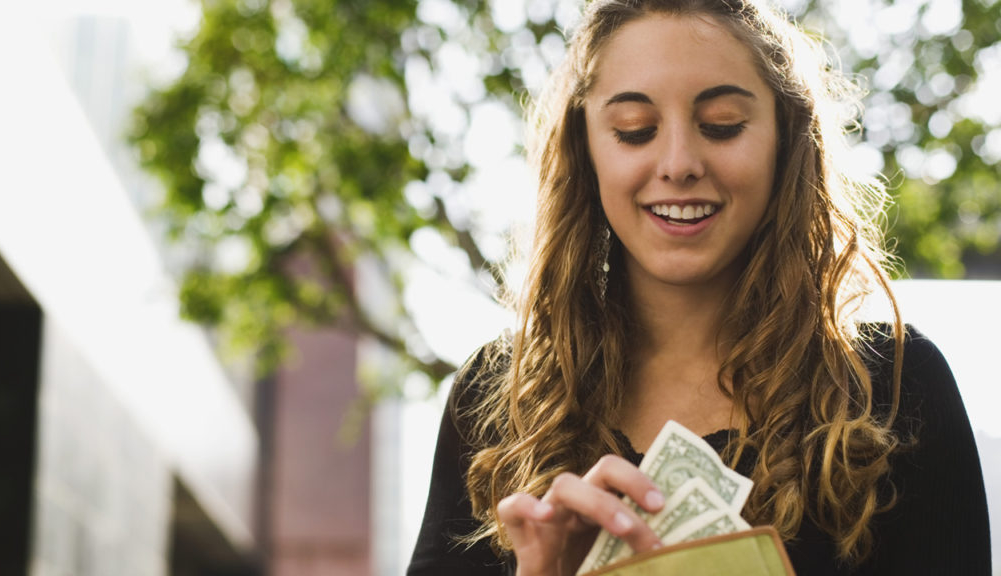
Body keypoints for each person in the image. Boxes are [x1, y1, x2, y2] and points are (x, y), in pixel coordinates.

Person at [408, 0, 992, 574]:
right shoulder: (498, 399)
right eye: (635, 131)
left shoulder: (894, 389)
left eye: (722, 126)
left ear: (786, 142)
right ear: (586, 149)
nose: (679, 162)